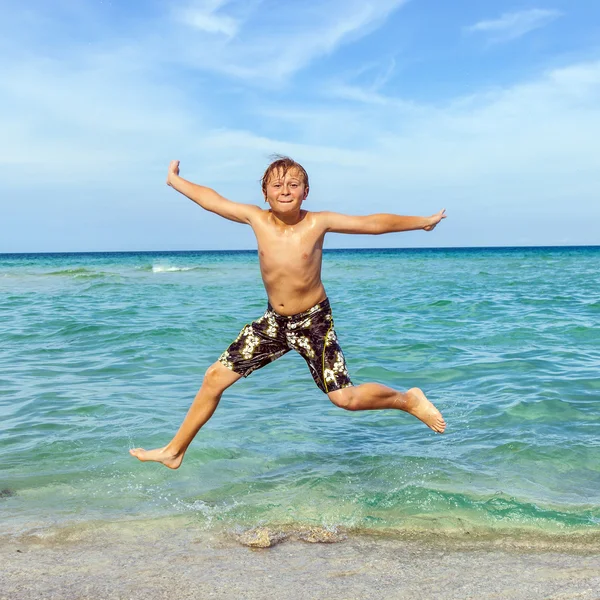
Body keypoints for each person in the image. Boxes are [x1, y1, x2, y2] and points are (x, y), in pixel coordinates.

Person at [130, 156, 447, 469]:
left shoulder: (318, 222)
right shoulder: (256, 218)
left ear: (305, 191)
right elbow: (211, 200)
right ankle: (174, 451)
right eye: (277, 185)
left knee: (344, 399)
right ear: (265, 193)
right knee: (213, 378)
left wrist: (422, 222)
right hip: (273, 323)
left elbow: (373, 223)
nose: (285, 190)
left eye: (293, 184)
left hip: (313, 323)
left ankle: (408, 400)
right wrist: (175, 180)